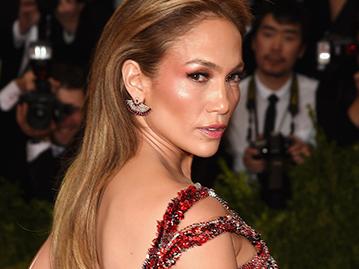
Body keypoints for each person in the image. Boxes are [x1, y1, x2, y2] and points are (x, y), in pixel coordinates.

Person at [30, 0, 279, 268]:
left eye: (233, 77)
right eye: (199, 75)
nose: (224, 102)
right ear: (136, 81)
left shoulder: (86, 199)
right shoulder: (192, 222)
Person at [227, 2, 317, 208]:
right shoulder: (230, 94)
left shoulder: (320, 96)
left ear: (302, 49)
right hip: (240, 206)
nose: (276, 47)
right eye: (268, 34)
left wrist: (313, 161)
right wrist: (244, 163)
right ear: (253, 42)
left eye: (288, 37)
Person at [0, 63, 85, 202]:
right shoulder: (10, 143)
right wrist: (19, 85)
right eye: (58, 108)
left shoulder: (89, 154)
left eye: (72, 110)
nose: (65, 119)